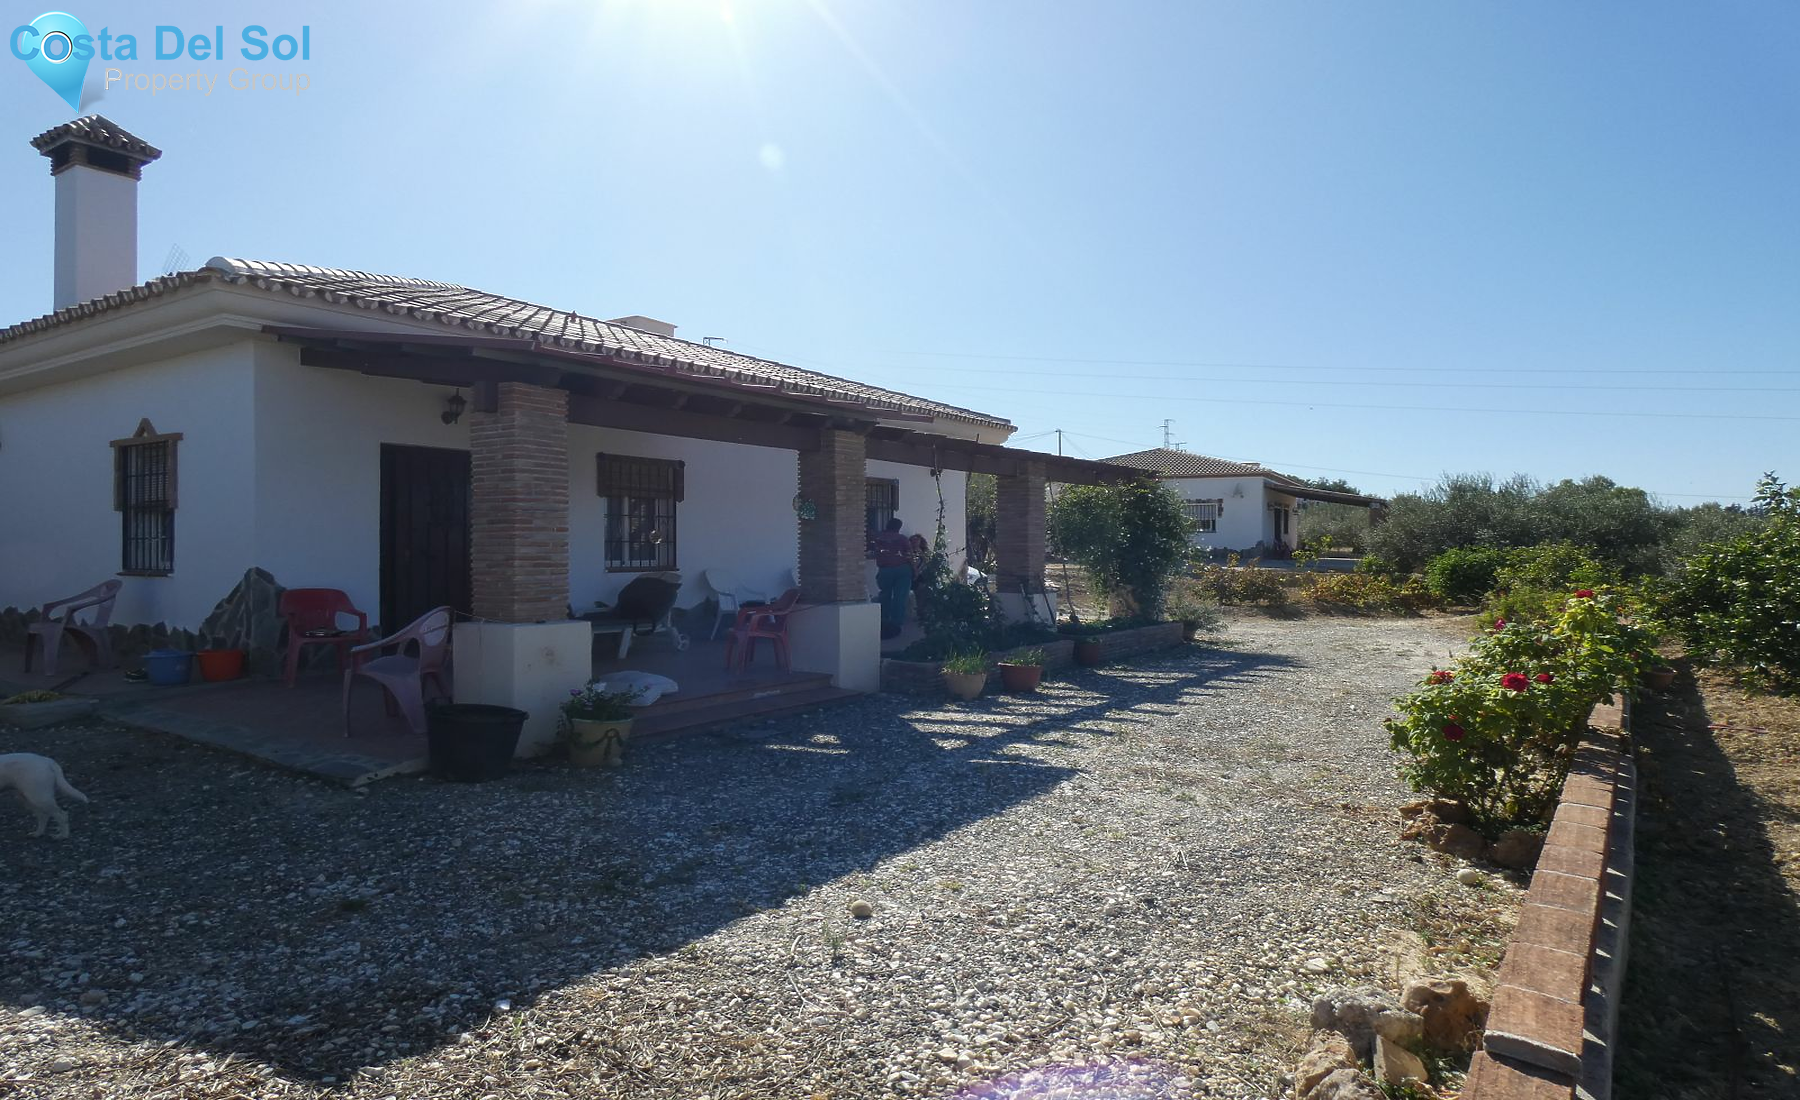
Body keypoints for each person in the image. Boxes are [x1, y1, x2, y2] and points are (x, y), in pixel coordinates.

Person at [869, 517, 915, 639]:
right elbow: (909, 555)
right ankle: (896, 623)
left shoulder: (879, 538)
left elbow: (874, 545)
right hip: (902, 569)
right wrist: (914, 569)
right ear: (898, 527)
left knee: (884, 595)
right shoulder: (902, 539)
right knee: (900, 597)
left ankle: (883, 620)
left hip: (885, 570)